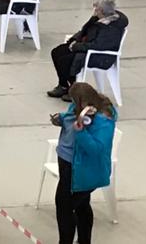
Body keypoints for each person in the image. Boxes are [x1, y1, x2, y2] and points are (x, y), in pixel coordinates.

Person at [52, 83, 117, 244]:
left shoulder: (103, 119)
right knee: (81, 205)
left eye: (74, 100)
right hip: (67, 162)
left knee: (65, 207)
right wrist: (61, 119)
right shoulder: (78, 107)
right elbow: (70, 116)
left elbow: (97, 149)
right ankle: (84, 240)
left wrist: (81, 133)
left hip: (83, 169)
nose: (72, 104)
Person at [48, 0, 129, 99]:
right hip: (87, 46)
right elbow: (85, 30)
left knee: (65, 60)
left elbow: (98, 45)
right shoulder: (100, 19)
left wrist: (77, 46)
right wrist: (74, 40)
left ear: (102, 12)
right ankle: (63, 85)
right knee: (57, 52)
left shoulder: (110, 28)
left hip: (100, 56)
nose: (94, 11)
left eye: (97, 9)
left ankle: (74, 89)